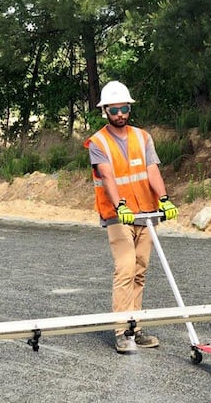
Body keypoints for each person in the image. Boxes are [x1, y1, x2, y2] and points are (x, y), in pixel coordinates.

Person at [84, 80, 179, 354]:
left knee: (140, 271)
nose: (120, 114)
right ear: (106, 112)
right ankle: (121, 332)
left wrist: (164, 198)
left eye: (124, 108)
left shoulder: (143, 137)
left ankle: (135, 329)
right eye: (114, 110)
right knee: (125, 268)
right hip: (118, 215)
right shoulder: (98, 142)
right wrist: (121, 206)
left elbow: (152, 170)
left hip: (146, 212)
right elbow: (108, 176)